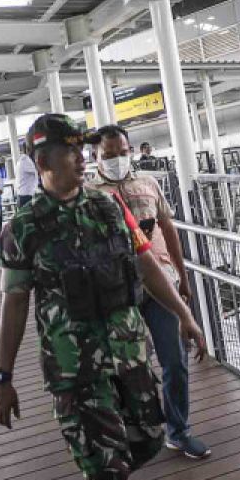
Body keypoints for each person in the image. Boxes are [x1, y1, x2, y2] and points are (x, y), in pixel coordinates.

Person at [0, 114, 205, 480]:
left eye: (80, 149)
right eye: (70, 150)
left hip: (129, 355)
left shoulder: (107, 206)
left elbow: (146, 264)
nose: (81, 158)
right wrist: (3, 377)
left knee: (146, 438)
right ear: (43, 160)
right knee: (104, 468)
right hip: (75, 370)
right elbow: (13, 305)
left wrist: (184, 313)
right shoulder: (21, 230)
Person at [91, 124, 211, 460]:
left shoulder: (149, 183)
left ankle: (179, 430)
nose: (116, 159)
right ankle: (135, 432)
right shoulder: (89, 194)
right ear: (96, 156)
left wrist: (182, 276)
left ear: (131, 150)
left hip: (161, 284)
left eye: (122, 152)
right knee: (127, 368)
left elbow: (168, 228)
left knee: (175, 360)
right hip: (118, 293)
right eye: (108, 154)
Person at [16, 143, 39, 208]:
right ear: (28, 149)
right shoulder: (25, 160)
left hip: (24, 195)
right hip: (26, 196)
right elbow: (39, 169)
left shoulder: (22, 160)